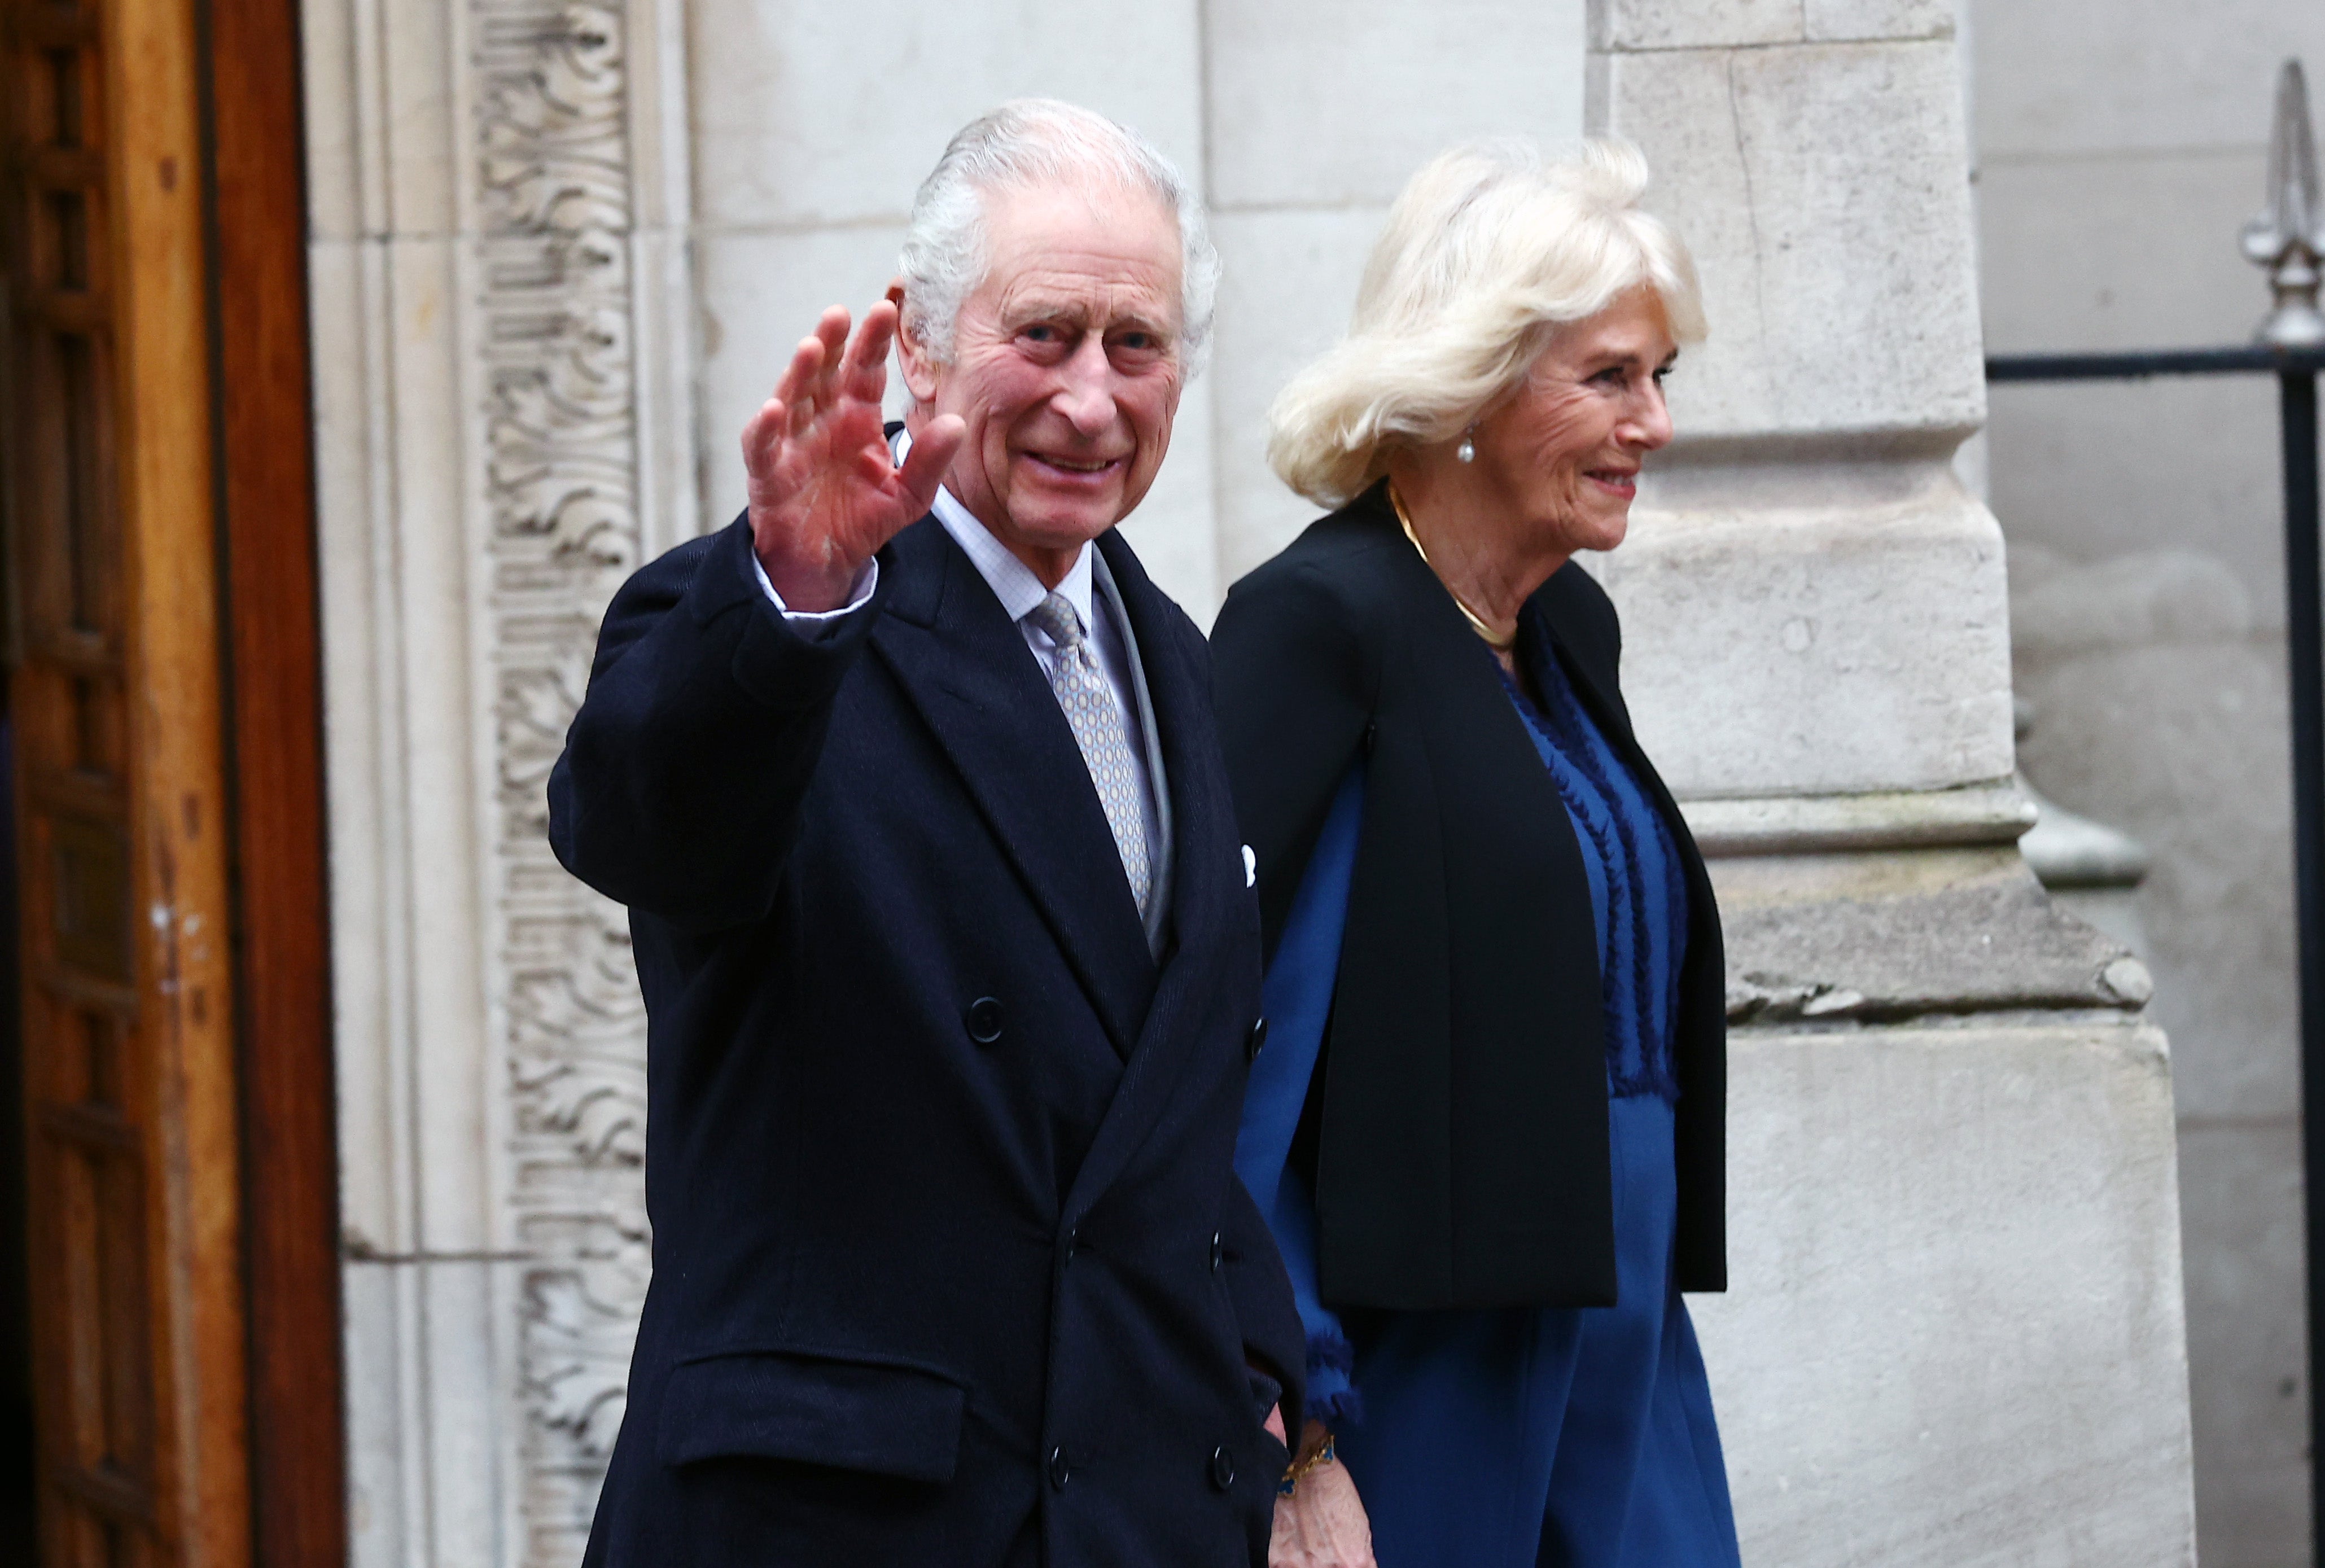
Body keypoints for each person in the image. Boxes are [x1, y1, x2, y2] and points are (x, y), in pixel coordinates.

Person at [551, 100, 1302, 1568]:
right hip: (839, 1522)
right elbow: (638, 828)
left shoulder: (1176, 659)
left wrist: (1291, 1422)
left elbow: (1169, 1129)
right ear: (927, 349)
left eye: (1135, 346)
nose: (1092, 399)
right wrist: (792, 601)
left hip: (1133, 1515)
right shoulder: (783, 611)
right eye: (1047, 334)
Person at [1213, 141, 1741, 1568]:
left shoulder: (1567, 630)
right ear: (1471, 381)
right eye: (1610, 377)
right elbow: (1238, 1078)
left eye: (1659, 376)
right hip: (1420, 1385)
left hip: (1626, 1347)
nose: (1653, 424)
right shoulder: (1320, 628)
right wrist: (1292, 1433)